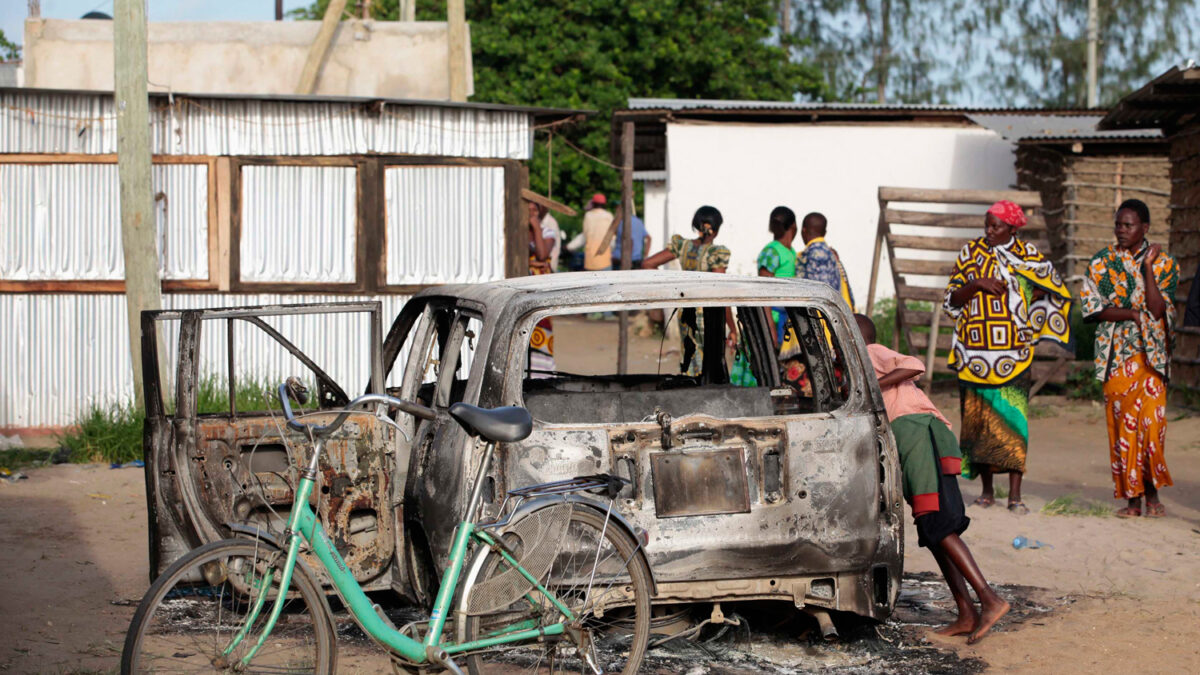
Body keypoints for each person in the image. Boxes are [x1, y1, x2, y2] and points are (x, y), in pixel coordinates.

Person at [856, 314, 1010, 645]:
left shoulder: (871, 353)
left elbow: (913, 365)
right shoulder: (861, 365)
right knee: (932, 529)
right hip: (914, 441)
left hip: (919, 435)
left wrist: (872, 383)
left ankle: (990, 599)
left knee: (940, 525)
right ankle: (966, 612)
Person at [943, 200, 1072, 514]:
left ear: (1013, 228)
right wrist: (974, 285)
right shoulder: (969, 253)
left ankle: (1015, 495)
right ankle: (987, 492)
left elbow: (1054, 290)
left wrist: (1028, 302)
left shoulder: (1030, 257)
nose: (989, 230)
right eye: (987, 224)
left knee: (1013, 423)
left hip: (1013, 355)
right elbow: (950, 301)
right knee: (978, 425)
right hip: (973, 355)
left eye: (996, 226)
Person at [1080, 199, 1179, 518]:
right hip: (1116, 360)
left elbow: (1159, 309)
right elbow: (1092, 309)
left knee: (1152, 429)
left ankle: (1152, 494)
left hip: (1152, 363)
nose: (1121, 231)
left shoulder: (1165, 265)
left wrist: (1148, 268)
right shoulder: (1101, 263)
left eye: (1128, 225)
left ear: (1145, 228)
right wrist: (1131, 314)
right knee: (1123, 430)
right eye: (1118, 225)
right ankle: (1133, 501)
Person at [642, 205, 734, 377]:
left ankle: (689, 389)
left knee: (690, 358)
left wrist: (671, 290)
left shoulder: (682, 246)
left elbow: (648, 264)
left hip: (685, 312)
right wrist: (733, 328)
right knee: (710, 364)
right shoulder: (715, 253)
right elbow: (720, 291)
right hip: (708, 316)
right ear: (716, 230)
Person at [522, 189, 576, 376]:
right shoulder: (517, 231)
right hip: (522, 290)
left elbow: (543, 254)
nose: (531, 212)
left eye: (534, 210)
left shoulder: (547, 231)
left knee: (539, 328)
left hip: (539, 291)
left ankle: (540, 373)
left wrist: (535, 225)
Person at [797, 212, 855, 308]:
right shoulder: (830, 253)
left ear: (803, 231)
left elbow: (819, 295)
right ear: (825, 233)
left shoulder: (812, 255)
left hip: (824, 318)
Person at [581, 193, 615, 271]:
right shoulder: (608, 216)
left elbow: (585, 235)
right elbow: (612, 239)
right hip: (605, 259)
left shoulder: (588, 215)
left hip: (590, 260)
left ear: (593, 203)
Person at [610, 203, 649, 269]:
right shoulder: (638, 221)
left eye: (617, 210)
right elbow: (649, 238)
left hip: (622, 261)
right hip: (637, 260)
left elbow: (630, 241)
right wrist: (645, 254)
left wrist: (628, 259)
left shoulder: (620, 222)